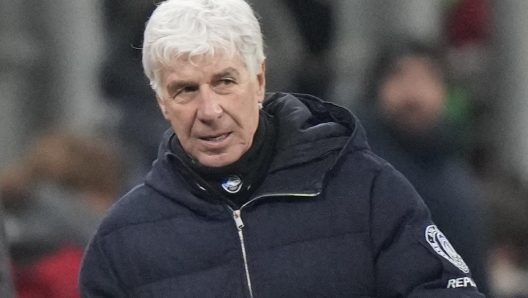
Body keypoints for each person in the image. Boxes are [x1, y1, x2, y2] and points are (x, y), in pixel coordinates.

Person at [79, 1, 485, 297]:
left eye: (224, 82)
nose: (209, 110)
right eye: (185, 90)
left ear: (259, 80)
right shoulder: (122, 241)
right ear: (161, 102)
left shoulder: (366, 191)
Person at [354, 39, 490, 295]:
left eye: (426, 79)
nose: (413, 93)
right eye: (400, 76)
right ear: (377, 88)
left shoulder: (459, 188)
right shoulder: (349, 168)